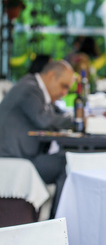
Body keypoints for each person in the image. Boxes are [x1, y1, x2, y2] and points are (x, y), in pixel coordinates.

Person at [0, 60, 75, 219]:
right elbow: (44, 120)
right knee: (66, 163)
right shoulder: (29, 89)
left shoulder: (33, 88)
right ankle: (57, 221)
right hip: (14, 159)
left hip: (21, 156)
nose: (65, 93)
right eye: (64, 86)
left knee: (65, 160)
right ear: (51, 75)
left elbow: (54, 115)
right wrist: (78, 121)